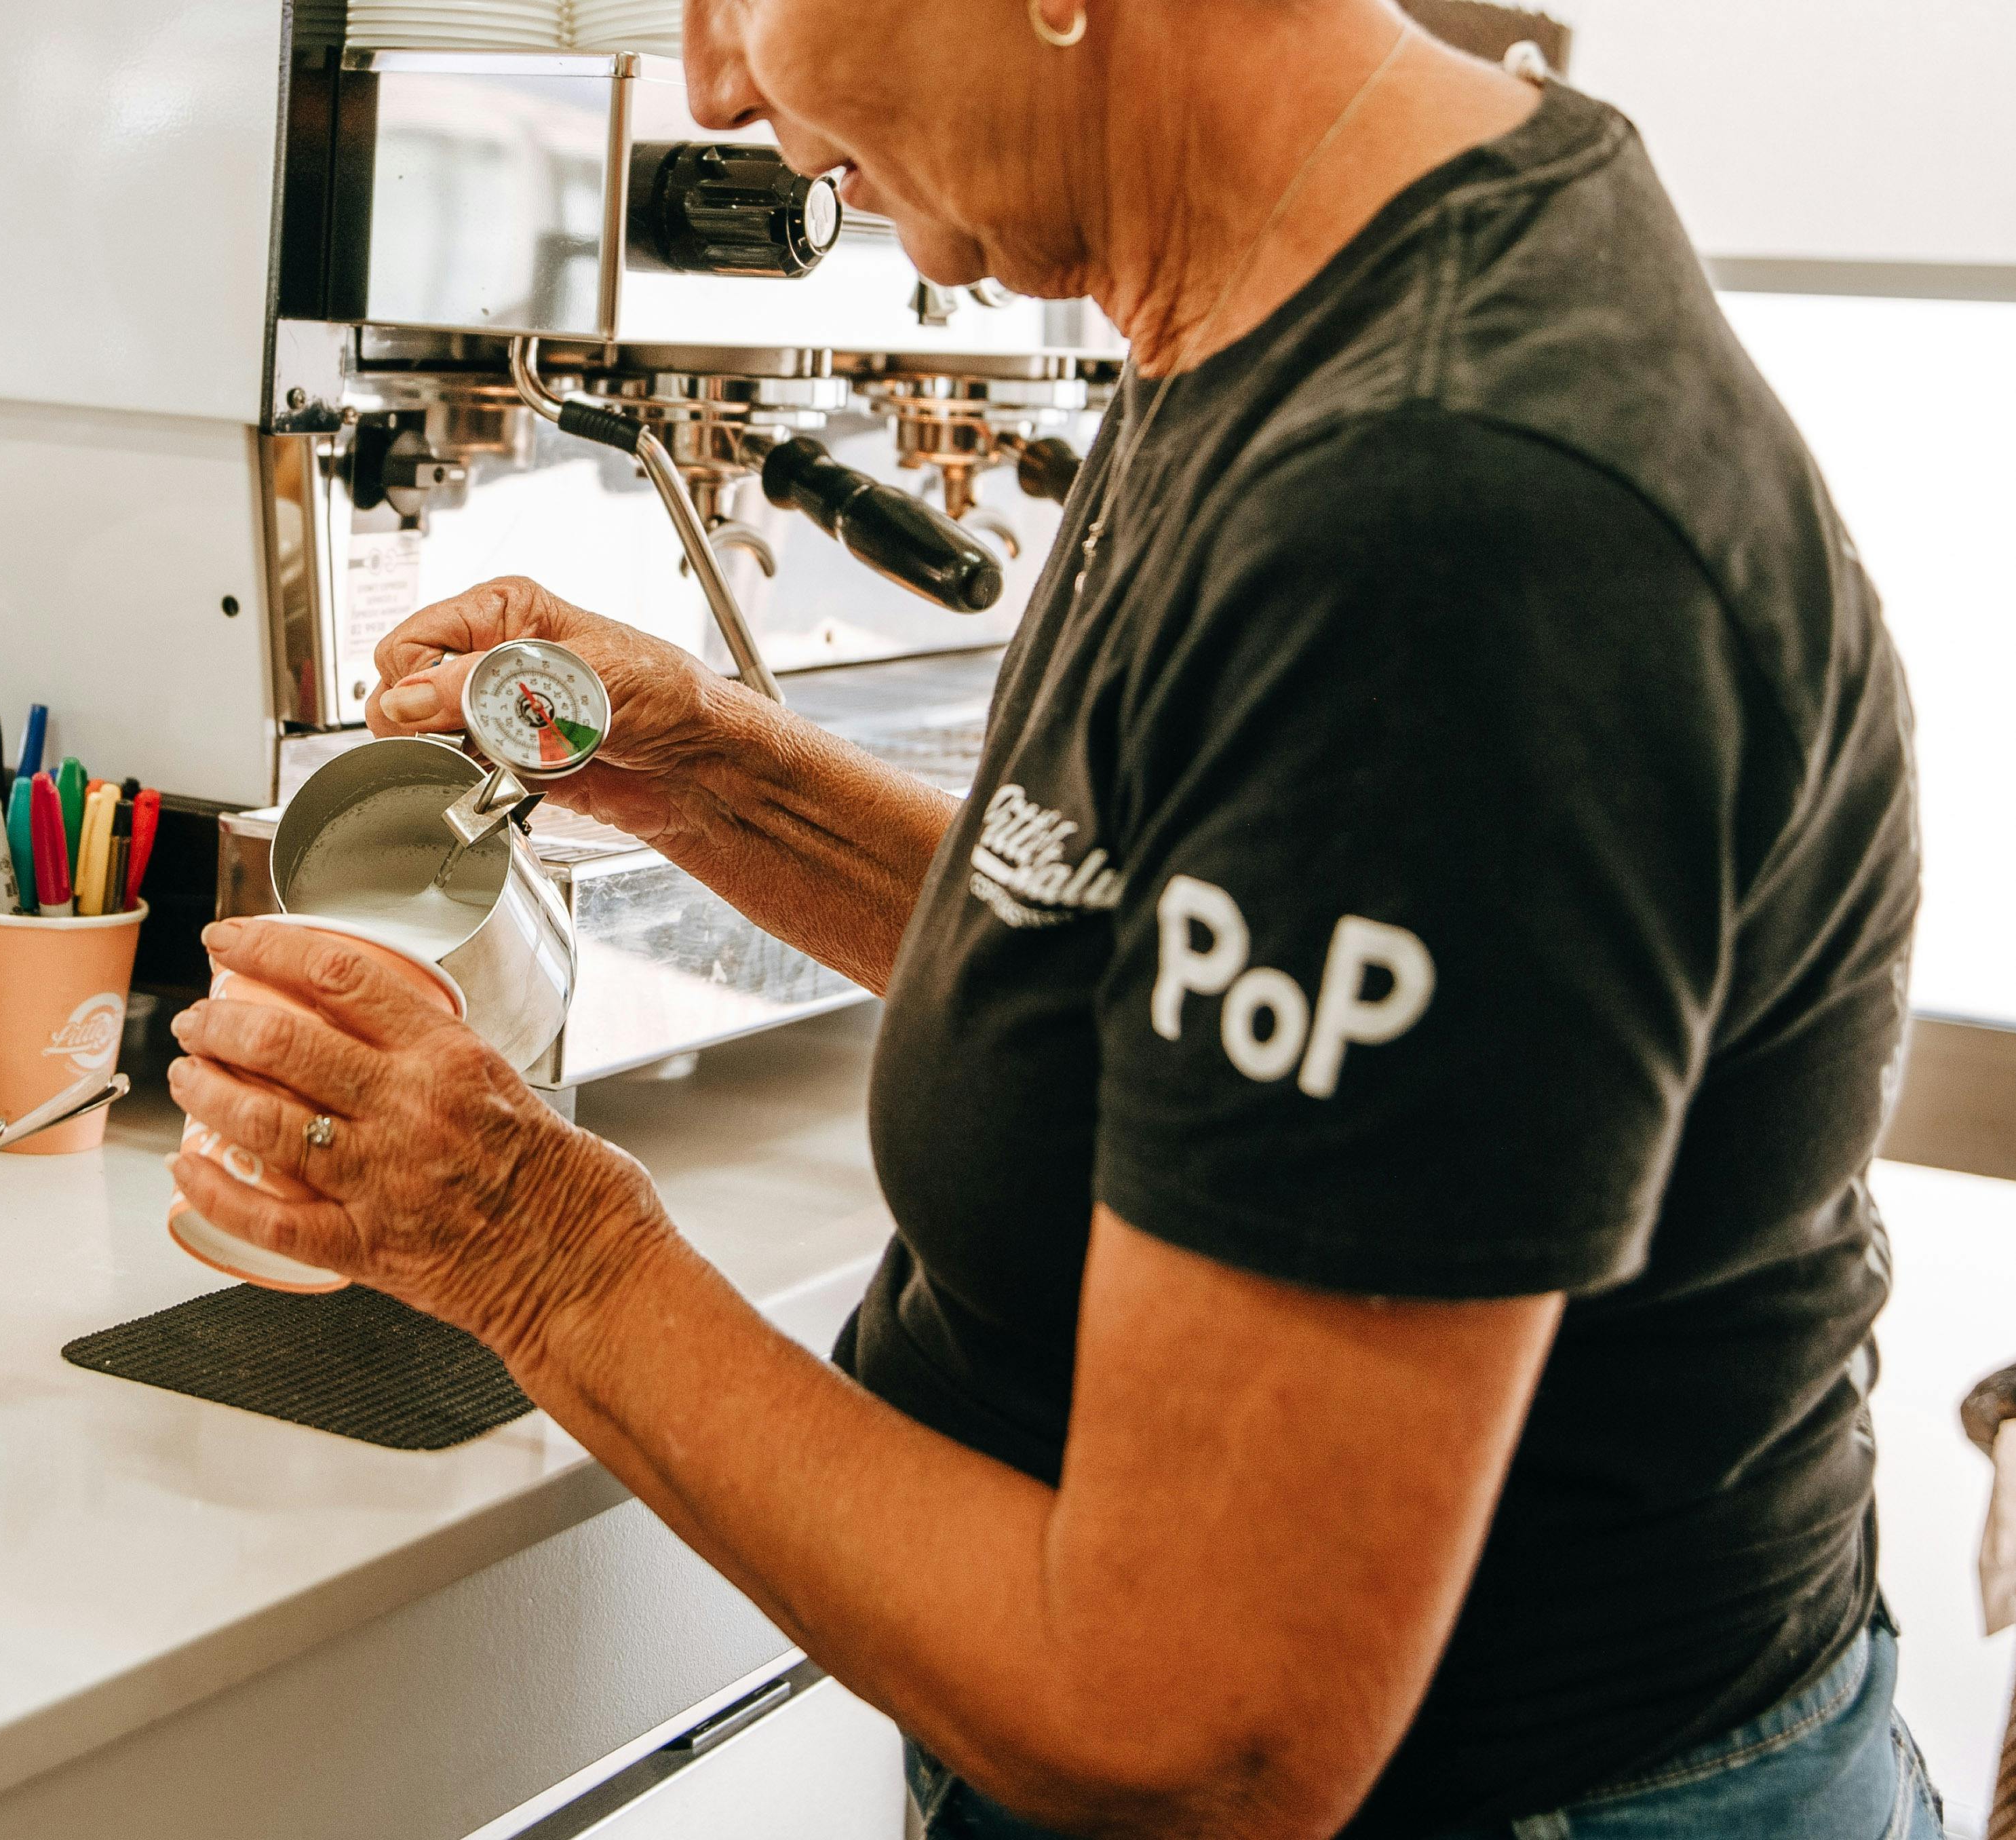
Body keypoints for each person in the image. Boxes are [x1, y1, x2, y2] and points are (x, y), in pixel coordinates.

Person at [163, 1, 1927, 1833]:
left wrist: (535, 1244)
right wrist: (717, 780)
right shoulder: (1293, 280)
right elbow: (1156, 954)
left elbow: (1200, 1732)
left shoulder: (1443, 517)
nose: (706, 82)